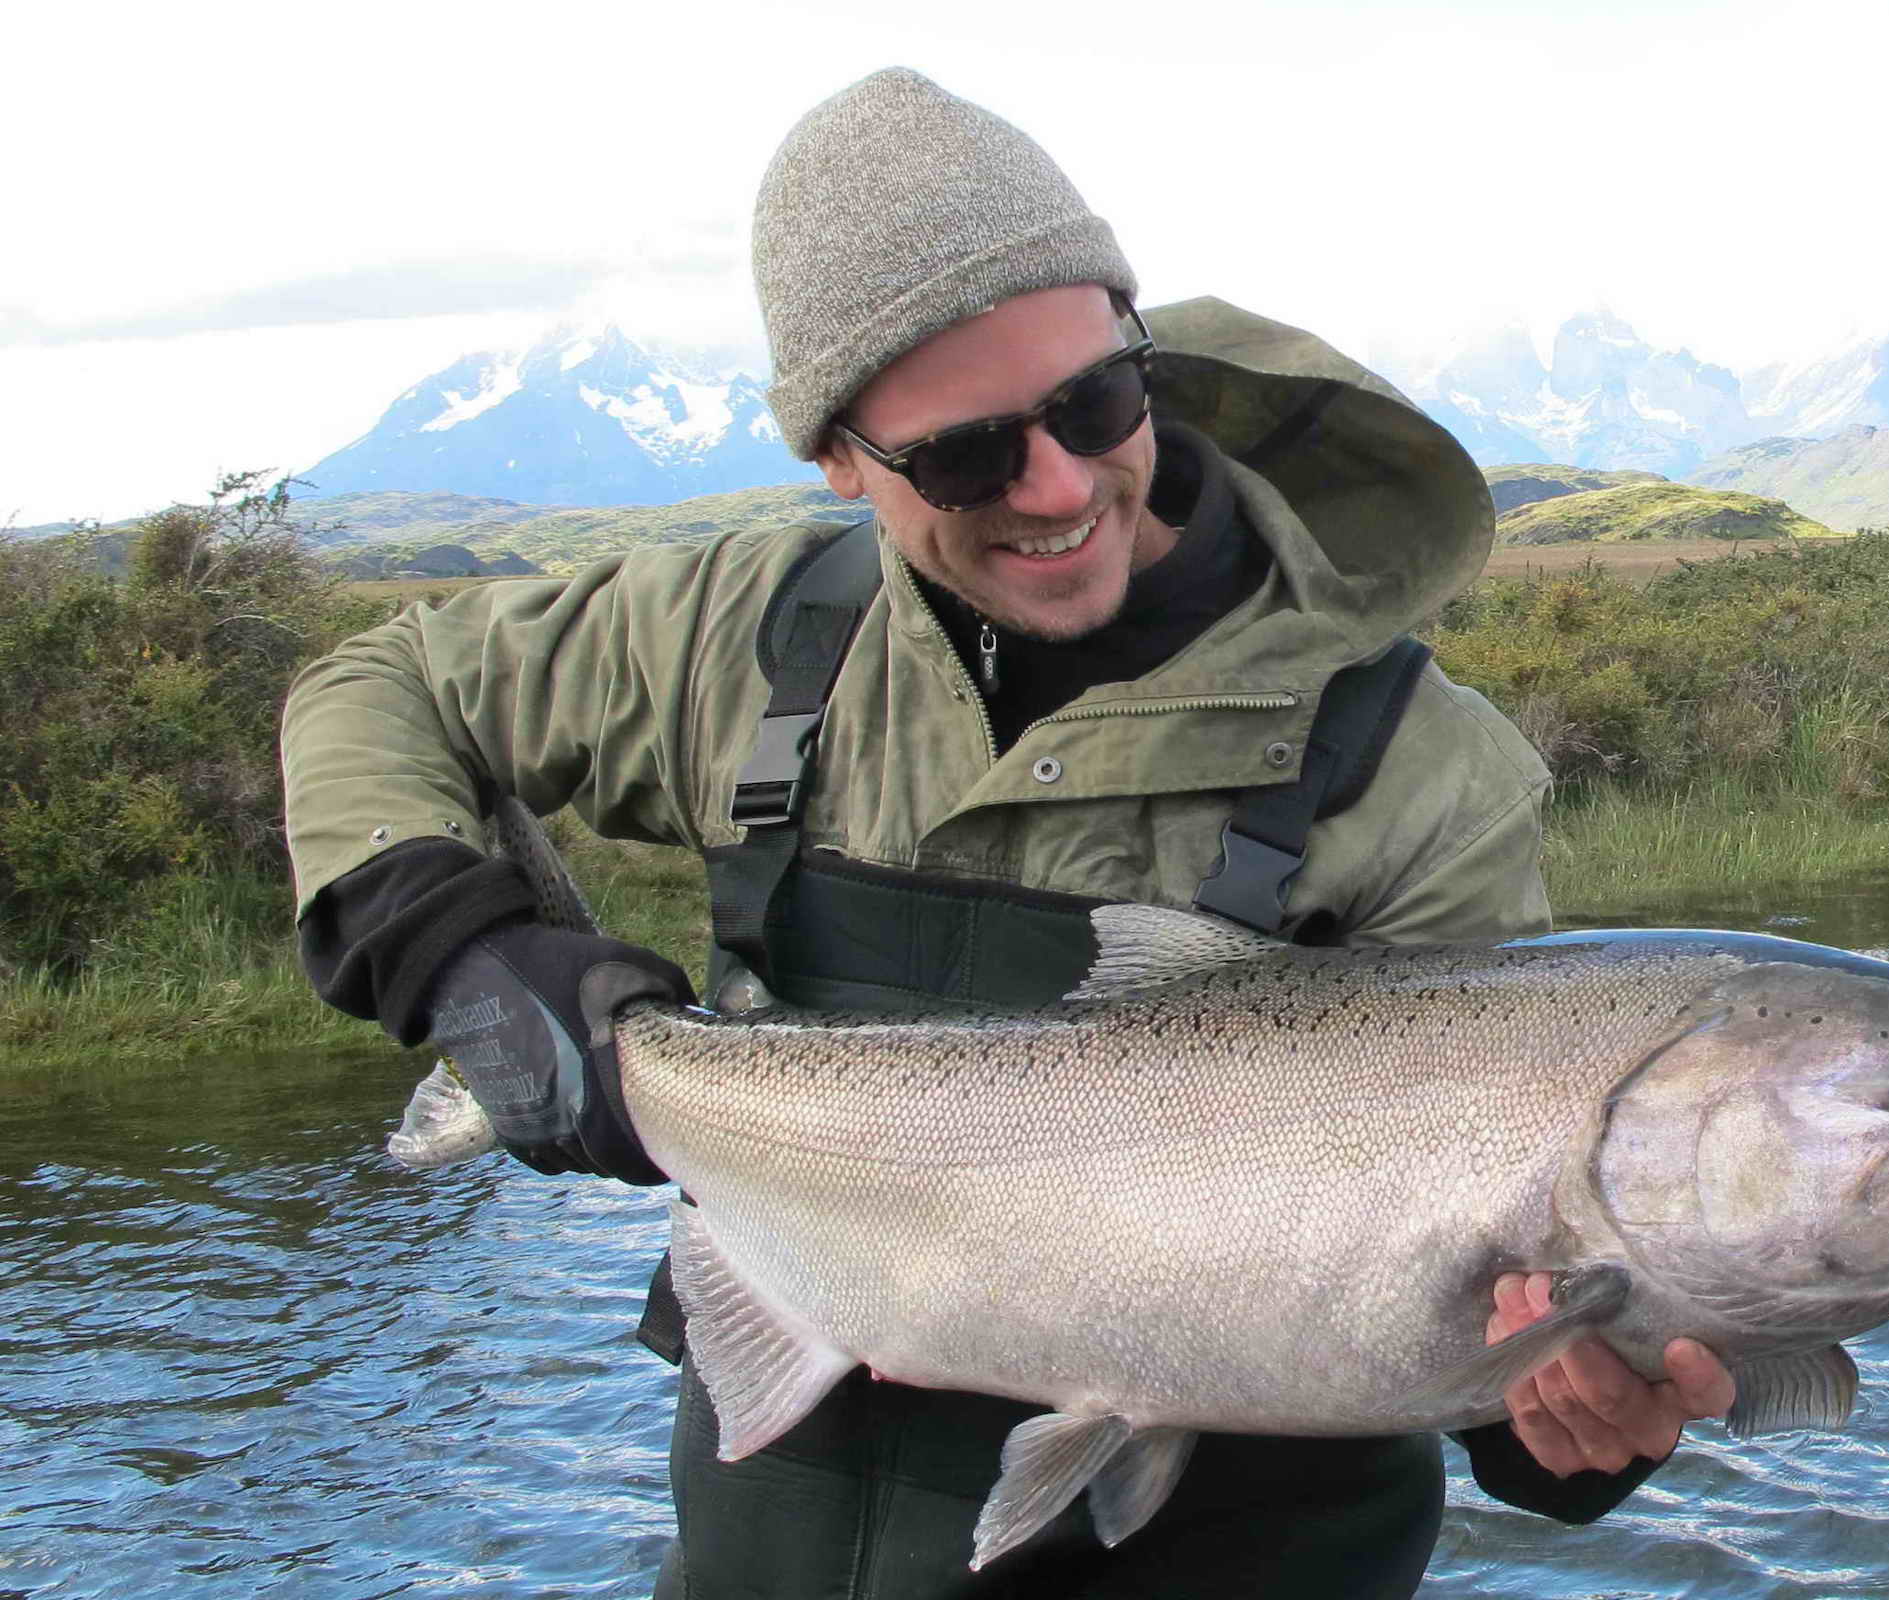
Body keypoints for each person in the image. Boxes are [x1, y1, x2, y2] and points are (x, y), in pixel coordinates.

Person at [282, 66, 1733, 1600]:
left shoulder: (1417, 770)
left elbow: (1491, 1319)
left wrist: (1558, 1423)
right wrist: (461, 946)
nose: (1058, 486)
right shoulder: (740, 641)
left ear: (1137, 351)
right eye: (970, 455)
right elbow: (381, 684)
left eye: (1098, 405)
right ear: (840, 456)